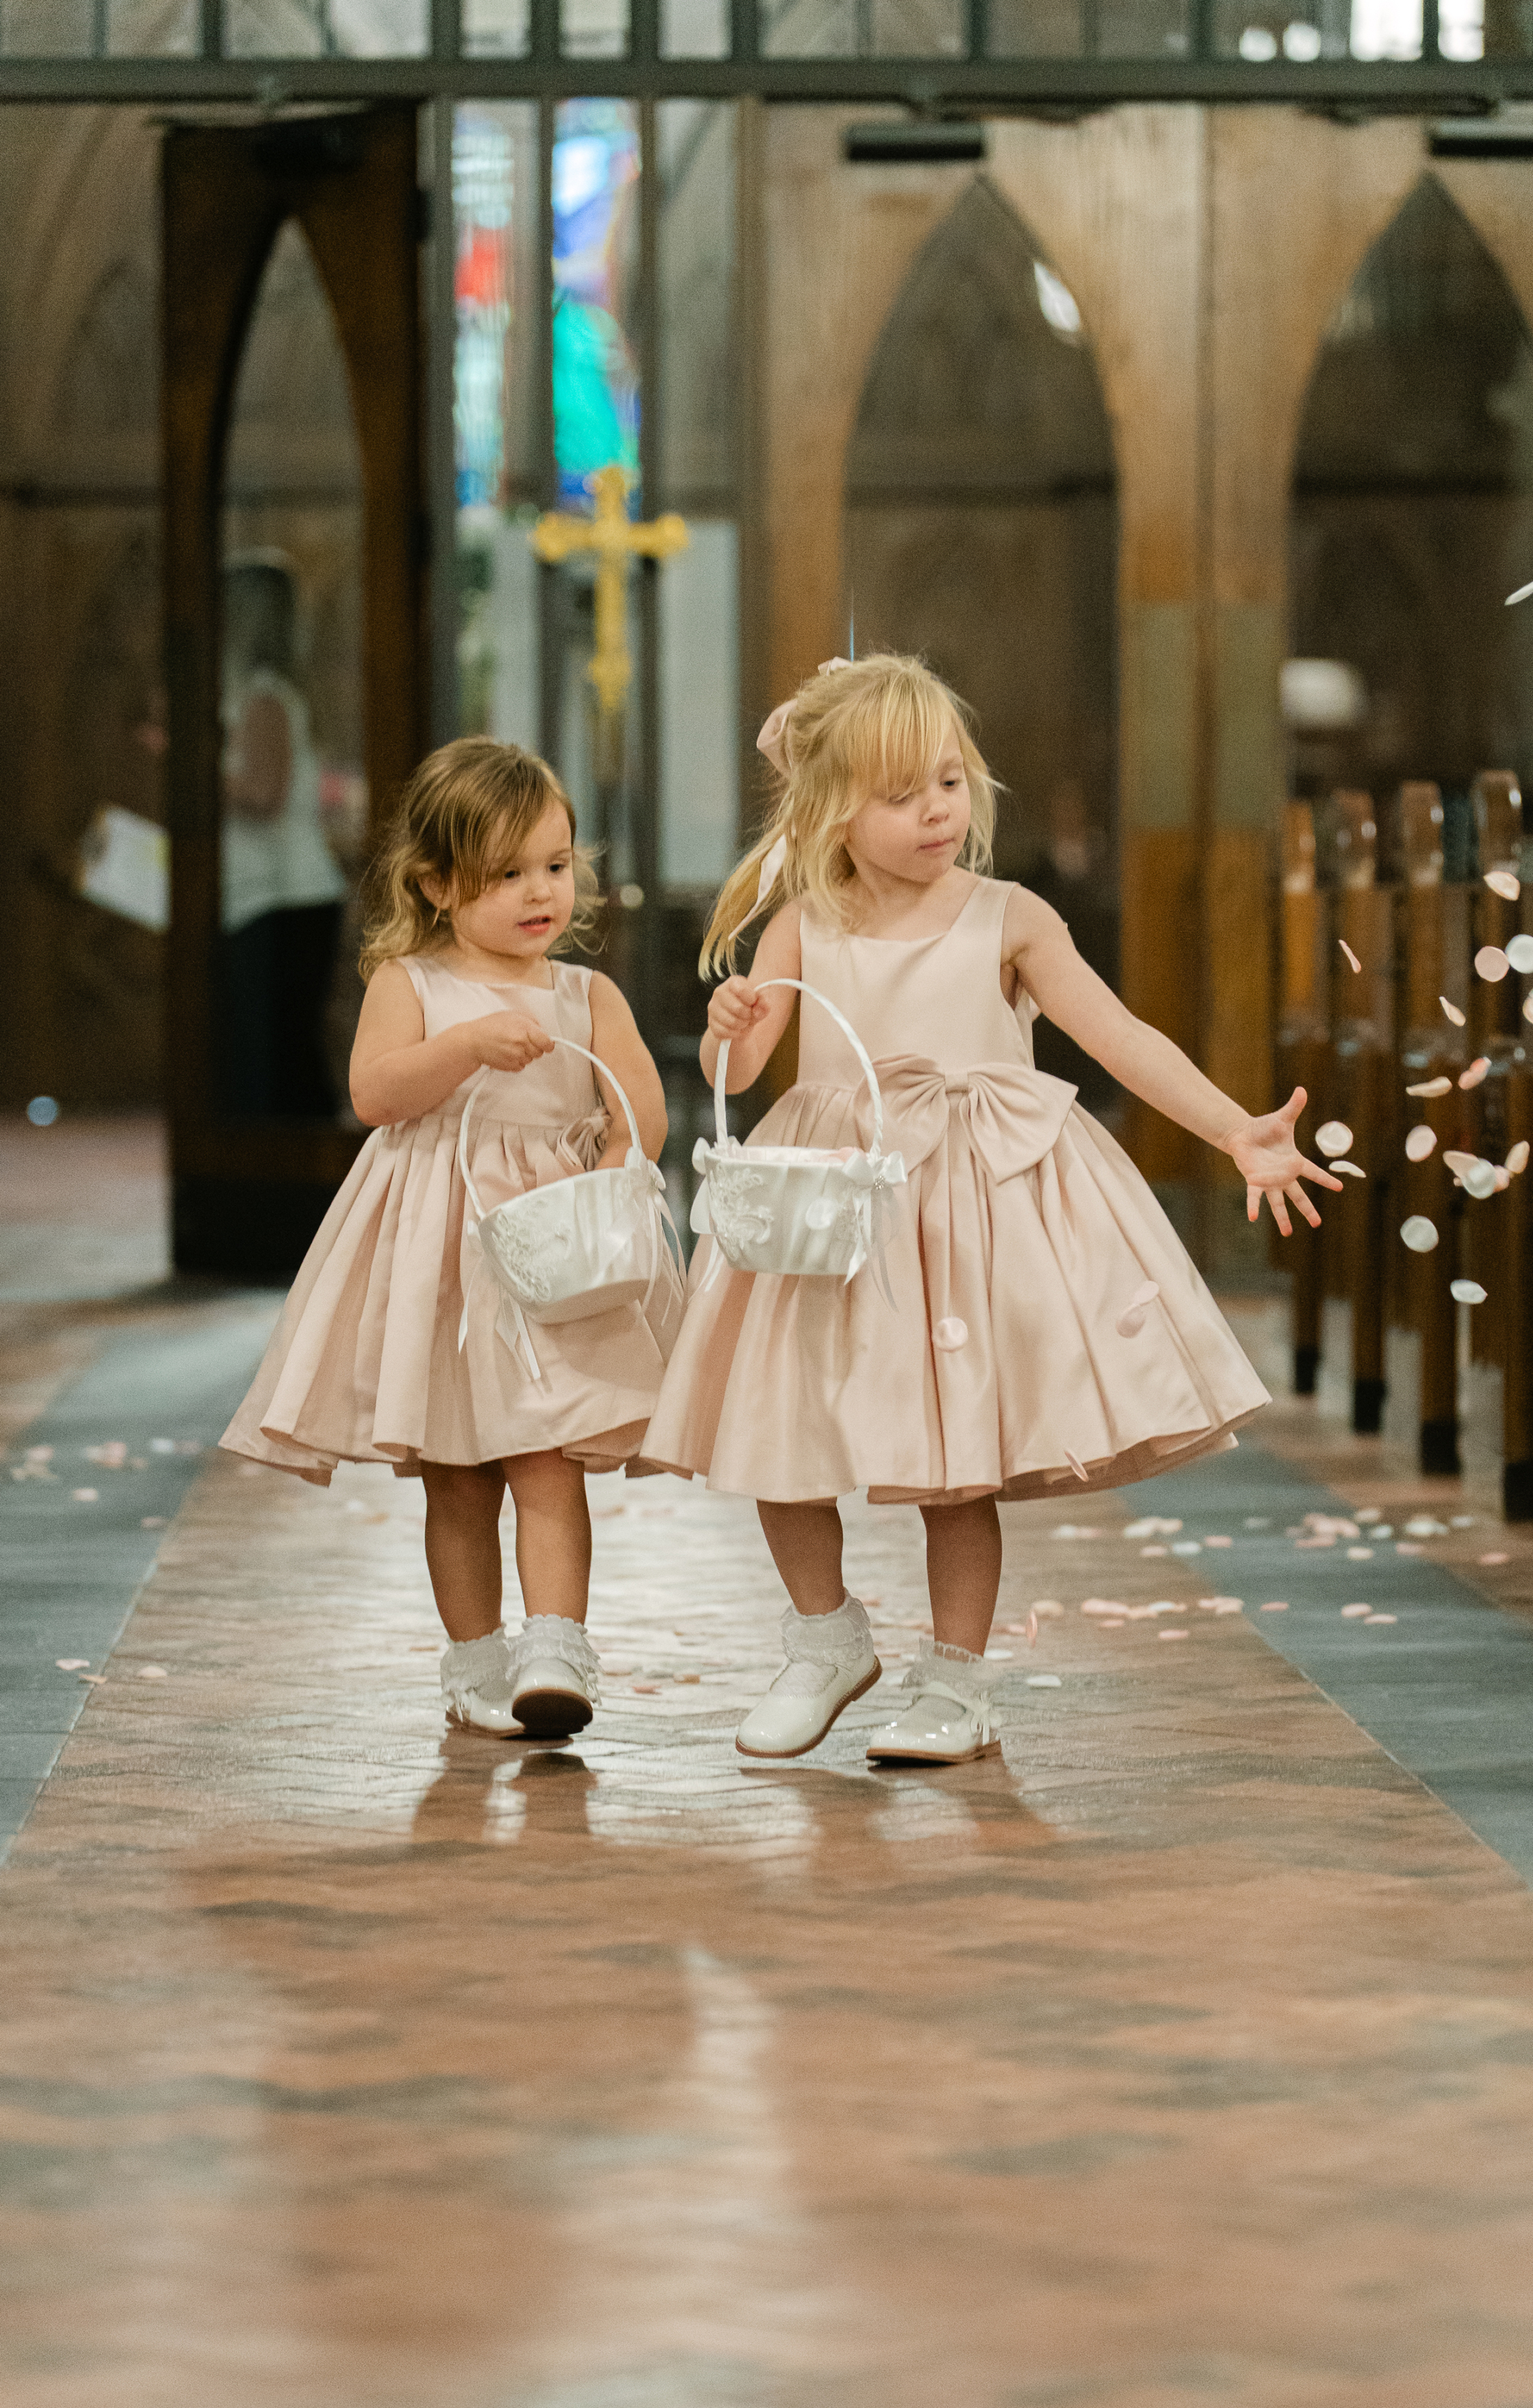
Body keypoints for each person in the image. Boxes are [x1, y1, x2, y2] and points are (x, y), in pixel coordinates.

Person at [640, 653, 1341, 1769]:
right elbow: (754, 1058)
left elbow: (1121, 1037)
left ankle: (956, 1685)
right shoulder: (803, 923)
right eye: (900, 793)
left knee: (951, 1463)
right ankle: (825, 1639)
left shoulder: (1008, 917)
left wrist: (1230, 1127)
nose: (936, 811)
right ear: (830, 810)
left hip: (964, 1213)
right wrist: (731, 1015)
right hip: (832, 1213)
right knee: (780, 1433)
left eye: (950, 782)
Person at [221, 737, 671, 1742]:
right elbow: (374, 1094)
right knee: (460, 1476)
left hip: (550, 1256)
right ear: (434, 883)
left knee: (548, 1458)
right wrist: (463, 1045)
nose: (537, 893)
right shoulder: (412, 983)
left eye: (553, 866)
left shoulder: (586, 996)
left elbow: (640, 1105)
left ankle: (556, 1648)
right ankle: (475, 1662)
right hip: (442, 1253)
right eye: (505, 874)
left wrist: (613, 1149)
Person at [218, 551, 349, 1118]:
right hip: (278, 898)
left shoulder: (265, 695)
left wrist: (195, 767)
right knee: (271, 1057)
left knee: (280, 1064)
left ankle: (298, 1192)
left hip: (282, 899)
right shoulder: (265, 693)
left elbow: (263, 796)